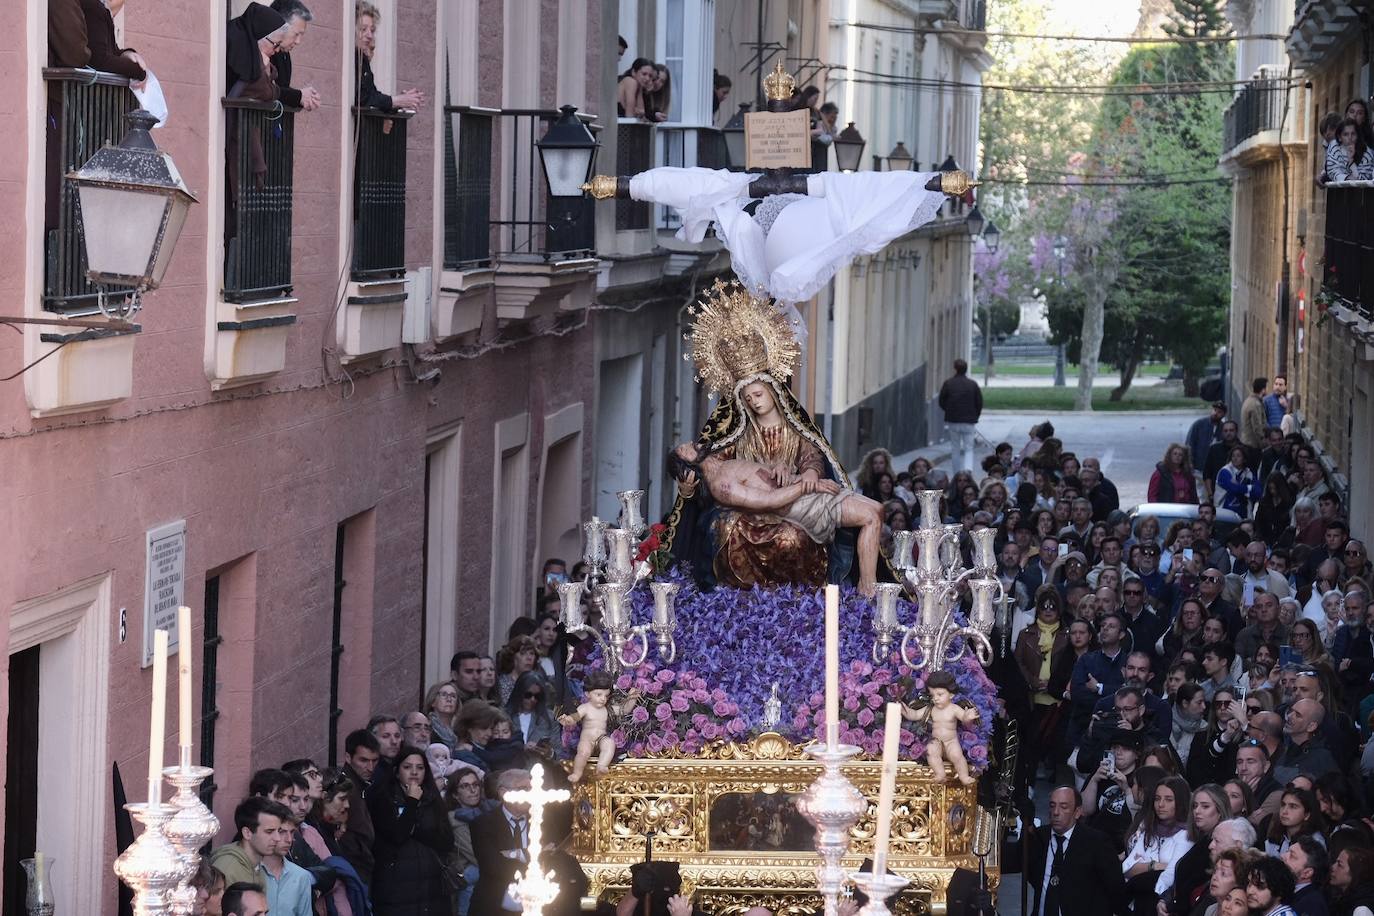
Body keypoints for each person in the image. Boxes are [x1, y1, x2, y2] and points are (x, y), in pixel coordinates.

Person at [669, 439, 883, 595]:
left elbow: (761, 474)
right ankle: (868, 592)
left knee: (878, 510)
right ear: (686, 466)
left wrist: (779, 468)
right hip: (801, 503)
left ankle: (868, 588)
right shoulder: (720, 485)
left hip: (801, 489)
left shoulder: (723, 463)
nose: (690, 443)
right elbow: (770, 501)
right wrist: (811, 485)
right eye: (684, 449)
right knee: (870, 517)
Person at [366, 745, 454, 914]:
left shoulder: (432, 798)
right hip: (396, 886)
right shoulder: (383, 798)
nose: (414, 772)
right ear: (397, 771)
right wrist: (412, 802)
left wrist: (416, 830)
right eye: (407, 767)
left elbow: (447, 841)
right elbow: (397, 835)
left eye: (420, 768)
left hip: (431, 886)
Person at [1027, 785, 1129, 916]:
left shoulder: (1097, 842)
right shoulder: (1039, 837)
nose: (1056, 812)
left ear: (1077, 812)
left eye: (1063, 807)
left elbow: (1115, 888)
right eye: (1052, 806)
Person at [1122, 776, 1193, 915]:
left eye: (1168, 799)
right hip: (1137, 903)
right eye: (1157, 798)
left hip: (1161, 905)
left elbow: (1173, 875)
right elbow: (1126, 868)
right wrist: (1155, 866)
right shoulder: (1149, 829)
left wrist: (1143, 866)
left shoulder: (1186, 836)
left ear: (1180, 802)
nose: (1160, 804)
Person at [470, 769, 536, 916]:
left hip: (538, 907)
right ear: (503, 792)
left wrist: (517, 854)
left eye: (531, 789)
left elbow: (553, 861)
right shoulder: (483, 824)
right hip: (494, 906)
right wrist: (532, 860)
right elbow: (493, 866)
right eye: (522, 789)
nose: (530, 794)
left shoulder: (544, 821)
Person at [354, 1, 424, 111]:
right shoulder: (351, 60)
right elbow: (363, 99)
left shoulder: (363, 60)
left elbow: (373, 95)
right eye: (363, 29)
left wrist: (400, 102)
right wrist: (397, 100)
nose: (370, 35)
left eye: (372, 30)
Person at [338, 728, 380, 886]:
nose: (370, 767)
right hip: (353, 867)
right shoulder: (345, 788)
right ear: (348, 757)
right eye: (363, 760)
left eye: (374, 761)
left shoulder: (359, 785)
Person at [267, 0, 320, 111]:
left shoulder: (284, 55)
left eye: (301, 35)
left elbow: (279, 91)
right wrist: (299, 96)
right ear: (280, 25)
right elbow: (263, 90)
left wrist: (303, 98)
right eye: (296, 34)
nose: (298, 41)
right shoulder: (260, 48)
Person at [938, 359, 983, 474]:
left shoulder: (948, 383)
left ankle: (956, 473)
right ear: (966, 369)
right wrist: (975, 416)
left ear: (955, 369)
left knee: (955, 448)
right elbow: (979, 402)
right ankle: (968, 470)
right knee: (969, 448)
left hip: (953, 420)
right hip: (969, 421)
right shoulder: (972, 384)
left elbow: (941, 400)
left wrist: (948, 411)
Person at [505, 670, 559, 752]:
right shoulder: (504, 716)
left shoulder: (550, 718)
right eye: (528, 695)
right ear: (519, 692)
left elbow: (558, 750)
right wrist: (521, 748)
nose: (532, 699)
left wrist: (548, 752)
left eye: (537, 696)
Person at [1282, 836, 1330, 916]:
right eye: (1287, 851)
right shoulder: (1287, 890)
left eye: (1292, 856)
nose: (1283, 856)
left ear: (1307, 873)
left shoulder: (1312, 904)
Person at [1214, 446, 1261, 517]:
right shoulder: (1225, 471)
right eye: (1233, 456)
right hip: (1224, 511)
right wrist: (1249, 488)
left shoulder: (1248, 473)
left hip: (1244, 513)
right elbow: (1233, 489)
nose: (1235, 458)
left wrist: (1239, 487)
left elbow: (1258, 492)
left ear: (1244, 459)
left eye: (1238, 456)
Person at [1189, 403, 1228, 474]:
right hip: (1198, 467)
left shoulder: (1224, 428)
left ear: (1224, 415)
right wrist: (1189, 462)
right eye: (1215, 410)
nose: (1216, 413)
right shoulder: (1199, 424)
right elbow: (1190, 444)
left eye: (1219, 412)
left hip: (1215, 469)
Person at [1242, 379, 1268, 450]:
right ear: (1263, 390)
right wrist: (1263, 442)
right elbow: (1257, 427)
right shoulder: (1255, 404)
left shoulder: (1250, 400)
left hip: (1248, 442)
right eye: (1267, 387)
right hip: (1252, 445)